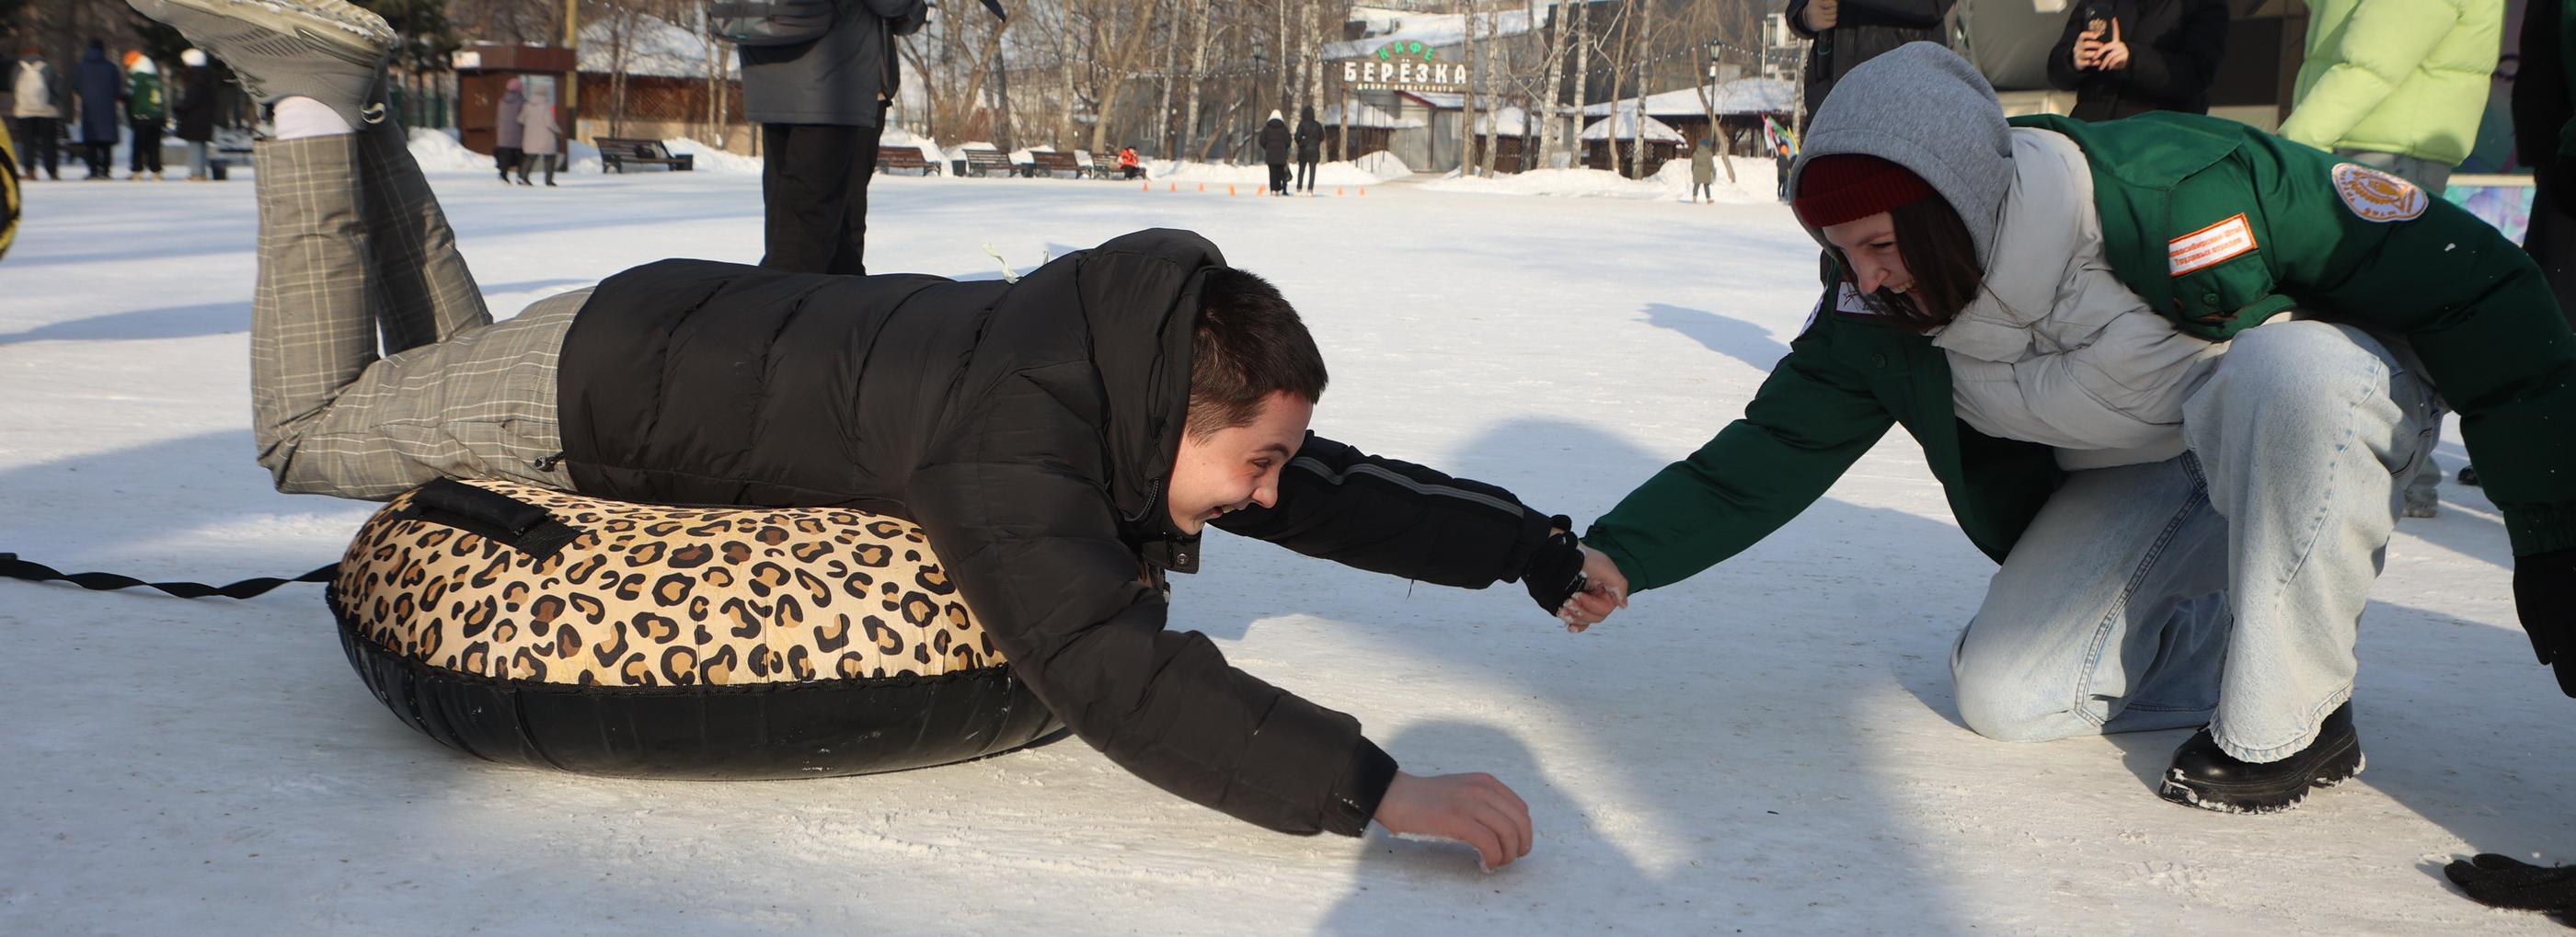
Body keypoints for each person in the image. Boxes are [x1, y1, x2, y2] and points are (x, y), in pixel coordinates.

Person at [126, 0, 1606, 871]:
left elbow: (1331, 485)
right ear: (1183, 413)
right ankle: (314, 99)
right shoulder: (1010, 450)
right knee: (312, 429)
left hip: (676, 322)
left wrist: (1526, 547)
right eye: (1256, 462)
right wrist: (1377, 785)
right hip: (596, 388)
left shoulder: (1109, 351)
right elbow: (1113, 669)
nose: (1271, 490)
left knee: (428, 375)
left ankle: (353, 107)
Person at [1558, 43, 2576, 815]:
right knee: (2006, 693)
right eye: (1838, 249)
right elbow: (1771, 449)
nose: (1861, 275)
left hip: (2305, 428)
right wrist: (1622, 551)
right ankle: (2252, 629)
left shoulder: (2185, 187)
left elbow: (2474, 282)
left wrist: (2554, 534)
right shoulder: (1879, 310)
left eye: (1876, 243)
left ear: (1956, 202)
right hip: (2150, 477)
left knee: (2287, 364)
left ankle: (2297, 716)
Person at [2276, 0, 2503, 517]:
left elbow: (2375, 58)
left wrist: (2292, 142)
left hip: (2380, 145)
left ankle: (2385, 479)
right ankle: (2397, 477)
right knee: (2387, 322)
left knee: (2376, 326)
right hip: (2381, 140)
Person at [741, 0, 926, 275]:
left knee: (791, 212)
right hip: (831, 80)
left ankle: (840, 304)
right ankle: (780, 308)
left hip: (771, 67)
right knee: (812, 223)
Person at [1781, 0, 1958, 127]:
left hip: (1904, 105)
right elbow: (1796, 8)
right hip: (1831, 100)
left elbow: (1936, 4)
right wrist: (1806, 16)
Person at [2043, 0, 2228, 120]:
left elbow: (2196, 75)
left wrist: (2131, 59)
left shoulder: (2203, 4)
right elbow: (2055, 72)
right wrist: (2074, 59)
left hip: (2159, 139)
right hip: (2090, 132)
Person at [12, 44, 63, 182]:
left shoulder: (18, 68)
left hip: (24, 111)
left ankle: (30, 170)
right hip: (46, 112)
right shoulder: (48, 68)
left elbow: (12, 86)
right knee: (49, 142)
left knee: (28, 142)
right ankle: (52, 171)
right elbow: (58, 88)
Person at [72, 40, 119, 179]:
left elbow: (76, 86)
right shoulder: (111, 67)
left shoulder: (81, 67)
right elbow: (116, 88)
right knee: (106, 142)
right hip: (107, 108)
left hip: (89, 108)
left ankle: (93, 170)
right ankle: (105, 170)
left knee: (91, 140)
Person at [173, 49, 219, 180]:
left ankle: (196, 172)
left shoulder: (195, 79)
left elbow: (191, 99)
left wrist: (179, 107)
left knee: (194, 145)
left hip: (194, 117)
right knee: (201, 144)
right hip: (206, 116)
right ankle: (201, 171)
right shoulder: (208, 77)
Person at [125, 54, 166, 180]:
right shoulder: (155, 79)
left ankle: (137, 171)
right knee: (154, 146)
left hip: (142, 116)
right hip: (157, 116)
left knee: (138, 146)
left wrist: (131, 113)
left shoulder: (137, 78)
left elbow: (131, 97)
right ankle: (156, 171)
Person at [517, 77, 556, 187]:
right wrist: (558, 130)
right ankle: (548, 180)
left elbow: (521, 119)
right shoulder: (546, 106)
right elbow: (550, 122)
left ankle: (523, 177)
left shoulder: (527, 105)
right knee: (549, 157)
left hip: (530, 136)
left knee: (530, 157)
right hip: (545, 137)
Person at [491, 75, 524, 184]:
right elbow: (523, 117)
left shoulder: (502, 100)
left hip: (503, 133)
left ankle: (503, 175)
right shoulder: (521, 101)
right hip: (517, 132)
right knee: (520, 155)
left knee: (505, 155)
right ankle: (521, 176)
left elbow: (498, 117)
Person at [1260, 109, 1291, 196]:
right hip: (1281, 154)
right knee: (1279, 171)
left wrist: (1267, 147)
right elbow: (1288, 141)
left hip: (1270, 154)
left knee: (1272, 172)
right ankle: (1278, 187)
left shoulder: (1267, 129)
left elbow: (1262, 140)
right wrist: (1285, 148)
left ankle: (1273, 189)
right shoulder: (1284, 128)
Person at [1294, 105, 1323, 194]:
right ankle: (1310, 189)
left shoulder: (1301, 124)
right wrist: (1316, 142)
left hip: (1303, 150)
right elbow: (1322, 136)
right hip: (1314, 151)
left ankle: (1299, 188)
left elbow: (1297, 136)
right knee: (1312, 171)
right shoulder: (1317, 125)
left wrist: (1300, 143)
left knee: (1301, 170)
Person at [1688, 138, 1716, 203]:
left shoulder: (1695, 153)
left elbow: (1693, 163)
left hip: (1697, 170)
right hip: (1706, 171)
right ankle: (1708, 199)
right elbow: (1711, 163)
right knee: (1706, 185)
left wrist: (1692, 170)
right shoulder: (1709, 153)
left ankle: (1694, 198)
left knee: (1696, 185)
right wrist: (1713, 171)